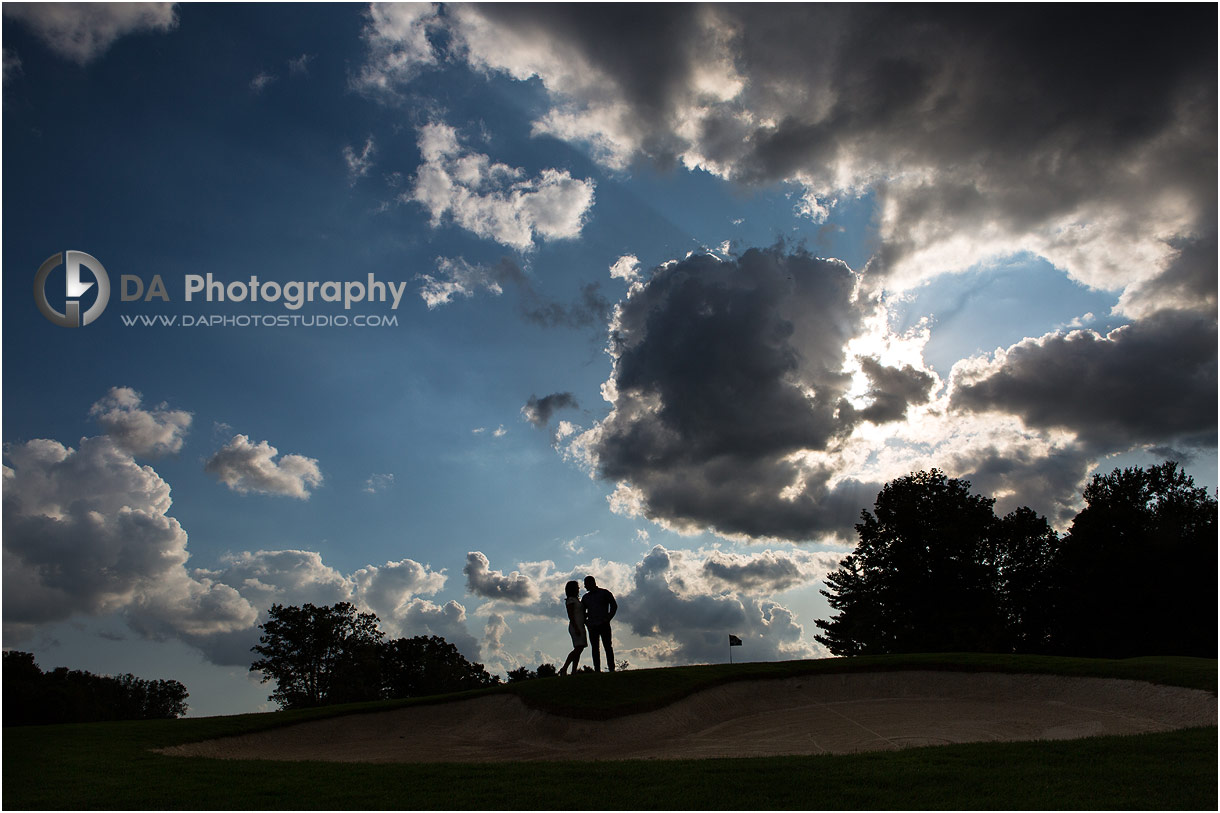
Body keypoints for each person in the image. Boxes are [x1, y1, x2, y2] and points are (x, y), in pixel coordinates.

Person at [580, 575, 618, 672]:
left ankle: (612, 669)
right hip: (592, 626)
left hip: (604, 624)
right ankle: (597, 670)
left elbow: (614, 605)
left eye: (586, 584)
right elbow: (582, 612)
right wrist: (587, 622)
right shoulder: (585, 598)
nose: (585, 587)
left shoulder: (604, 593)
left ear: (591, 583)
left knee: (607, 647)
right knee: (595, 649)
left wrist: (608, 618)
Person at [559, 580, 586, 675]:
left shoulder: (576, 600)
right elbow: (570, 615)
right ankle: (564, 668)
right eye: (577, 587)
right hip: (576, 625)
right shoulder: (570, 600)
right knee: (578, 648)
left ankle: (574, 670)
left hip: (580, 625)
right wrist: (576, 627)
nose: (579, 589)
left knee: (579, 648)